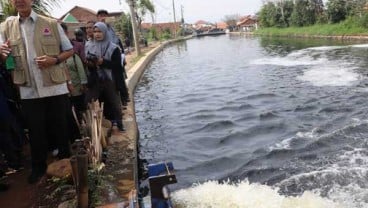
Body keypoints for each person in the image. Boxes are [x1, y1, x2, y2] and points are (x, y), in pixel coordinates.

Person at [0, 0, 74, 184]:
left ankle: (67, 165)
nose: (20, 1)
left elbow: (69, 50)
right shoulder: (5, 27)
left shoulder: (50, 23)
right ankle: (39, 168)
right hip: (28, 89)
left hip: (54, 86)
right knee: (35, 131)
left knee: (60, 128)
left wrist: (54, 59)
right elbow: (2, 52)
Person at [84, 22, 125, 131]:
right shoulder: (89, 46)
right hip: (96, 79)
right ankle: (105, 125)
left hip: (110, 79)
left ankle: (120, 124)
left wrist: (103, 62)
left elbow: (117, 66)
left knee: (114, 102)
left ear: (105, 33)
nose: (97, 34)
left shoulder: (113, 48)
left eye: (99, 31)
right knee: (94, 101)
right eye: (95, 31)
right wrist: (90, 64)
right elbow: (88, 63)